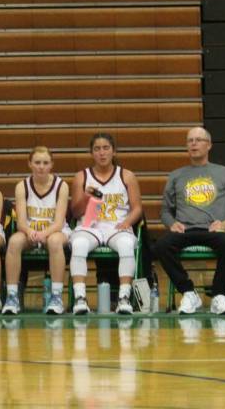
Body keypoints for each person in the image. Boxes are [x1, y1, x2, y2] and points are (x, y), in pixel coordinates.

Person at [153, 127, 225, 315]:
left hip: (213, 230)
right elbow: (165, 211)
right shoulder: (176, 175)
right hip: (184, 230)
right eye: (189, 140)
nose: (193, 143)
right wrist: (171, 224)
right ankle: (188, 292)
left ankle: (219, 295)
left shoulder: (224, 173)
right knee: (162, 245)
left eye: (198, 140)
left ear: (209, 145)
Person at [69, 133, 143, 315]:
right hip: (90, 227)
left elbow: (137, 208)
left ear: (113, 151)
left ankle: (124, 298)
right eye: (97, 149)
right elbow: (75, 212)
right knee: (79, 244)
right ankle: (80, 298)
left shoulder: (127, 176)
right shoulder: (82, 176)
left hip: (117, 226)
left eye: (106, 148)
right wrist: (86, 197)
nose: (101, 153)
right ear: (91, 153)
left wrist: (127, 222)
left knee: (126, 244)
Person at [2, 147, 71, 315]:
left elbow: (59, 222)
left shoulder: (61, 186)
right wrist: (29, 231)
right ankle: (12, 297)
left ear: (51, 165)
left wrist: (43, 234)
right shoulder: (22, 186)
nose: (41, 166)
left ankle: (56, 297)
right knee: (14, 241)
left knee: (54, 241)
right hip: (30, 231)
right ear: (30, 164)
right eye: (37, 162)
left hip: (55, 231)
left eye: (45, 163)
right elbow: (21, 222)